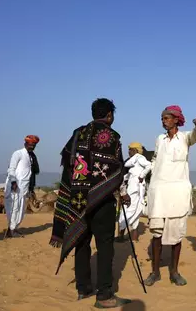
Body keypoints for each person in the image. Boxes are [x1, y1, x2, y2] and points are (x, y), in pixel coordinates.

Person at [49, 98, 131, 308]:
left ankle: (83, 288)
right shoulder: (112, 137)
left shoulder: (78, 134)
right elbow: (117, 170)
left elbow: (68, 162)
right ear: (110, 115)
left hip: (78, 200)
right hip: (102, 201)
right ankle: (104, 295)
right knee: (104, 247)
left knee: (82, 243)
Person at [144, 105, 196, 287]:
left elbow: (195, 137)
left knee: (176, 236)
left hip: (177, 193)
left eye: (167, 118)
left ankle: (174, 272)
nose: (164, 121)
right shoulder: (160, 139)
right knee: (156, 234)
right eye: (162, 119)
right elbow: (155, 161)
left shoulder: (185, 137)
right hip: (158, 192)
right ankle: (155, 273)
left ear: (176, 119)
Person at [3, 135, 40, 238]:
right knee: (14, 208)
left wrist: (30, 188)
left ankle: (14, 228)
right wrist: (13, 181)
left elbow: (32, 172)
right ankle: (11, 230)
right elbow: (11, 169)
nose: (32, 147)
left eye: (34, 145)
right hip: (15, 185)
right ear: (25, 143)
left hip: (24, 186)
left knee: (21, 209)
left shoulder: (31, 156)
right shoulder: (18, 153)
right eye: (31, 144)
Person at [117, 142, 151, 242]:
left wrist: (142, 176)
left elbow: (149, 165)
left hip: (134, 189)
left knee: (127, 211)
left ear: (135, 150)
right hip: (133, 187)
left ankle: (120, 237)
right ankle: (134, 238)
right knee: (134, 211)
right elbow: (132, 173)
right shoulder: (134, 161)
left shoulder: (139, 158)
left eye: (130, 150)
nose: (129, 152)